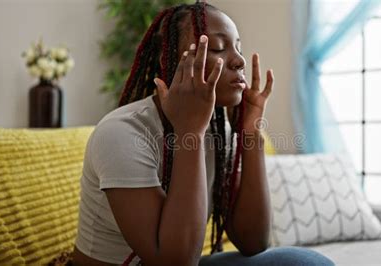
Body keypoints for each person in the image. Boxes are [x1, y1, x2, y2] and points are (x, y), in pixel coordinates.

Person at [71, 2, 335, 266]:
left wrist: (250, 134)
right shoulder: (122, 133)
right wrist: (191, 133)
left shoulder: (219, 131)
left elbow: (253, 240)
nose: (240, 60)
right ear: (172, 62)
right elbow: (177, 261)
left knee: (305, 262)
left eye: (238, 48)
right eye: (219, 48)